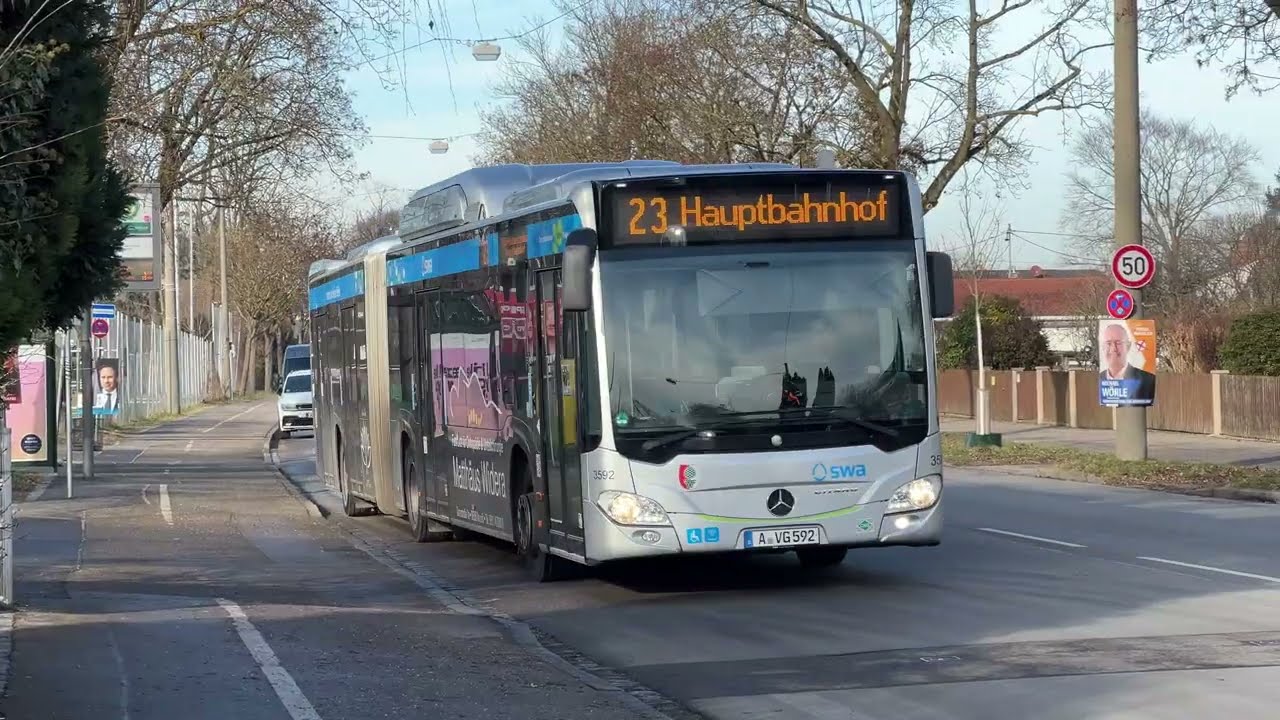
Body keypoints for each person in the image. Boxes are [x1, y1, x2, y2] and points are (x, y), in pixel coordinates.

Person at [1098, 322, 1155, 402]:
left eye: (1118, 343)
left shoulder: (1148, 380)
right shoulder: (1097, 381)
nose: (1113, 348)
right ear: (1103, 347)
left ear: (1128, 346)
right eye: (1108, 343)